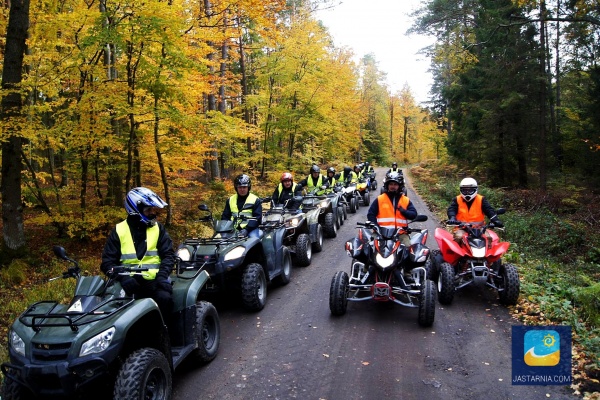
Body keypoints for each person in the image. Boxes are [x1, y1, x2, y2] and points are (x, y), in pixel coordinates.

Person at [101, 187, 175, 321]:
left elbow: (169, 255)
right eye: (148, 210)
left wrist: (162, 276)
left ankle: (164, 337)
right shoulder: (119, 230)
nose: (153, 213)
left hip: (154, 281)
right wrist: (123, 278)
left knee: (165, 299)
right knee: (111, 308)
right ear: (135, 211)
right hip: (127, 283)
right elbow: (107, 263)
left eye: (153, 210)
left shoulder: (158, 229)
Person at [367, 171, 417, 247]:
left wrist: (404, 211)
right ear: (387, 185)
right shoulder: (380, 199)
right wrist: (375, 226)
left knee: (409, 250)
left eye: (395, 184)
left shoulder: (405, 200)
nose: (392, 186)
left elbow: (413, 215)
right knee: (369, 248)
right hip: (380, 233)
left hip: (400, 234)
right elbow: (371, 214)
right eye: (390, 184)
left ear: (400, 186)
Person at [447, 177, 504, 243]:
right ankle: (457, 253)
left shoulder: (481, 199)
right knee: (458, 237)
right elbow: (452, 209)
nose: (467, 193)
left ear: (475, 190)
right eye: (464, 190)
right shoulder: (457, 199)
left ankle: (489, 254)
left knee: (488, 238)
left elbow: (489, 210)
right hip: (462, 228)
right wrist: (452, 217)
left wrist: (495, 220)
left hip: (480, 229)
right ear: (461, 190)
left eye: (470, 190)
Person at [222, 174, 263, 238]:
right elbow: (225, 217)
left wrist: (247, 230)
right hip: (233, 229)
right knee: (218, 240)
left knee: (254, 239)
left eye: (244, 187)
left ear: (248, 187)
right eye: (240, 187)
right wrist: (226, 228)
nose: (242, 189)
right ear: (236, 188)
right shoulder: (230, 200)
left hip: (250, 229)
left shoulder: (255, 200)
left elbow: (257, 218)